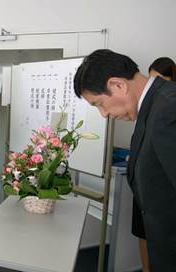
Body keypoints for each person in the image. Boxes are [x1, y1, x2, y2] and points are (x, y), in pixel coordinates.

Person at [74, 49, 176, 271]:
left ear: (118, 85)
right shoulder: (150, 108)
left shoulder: (169, 108)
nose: (103, 114)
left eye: (99, 103)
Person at [131, 56, 176, 272]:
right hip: (145, 192)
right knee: (144, 234)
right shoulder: (147, 105)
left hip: (162, 205)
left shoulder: (168, 105)